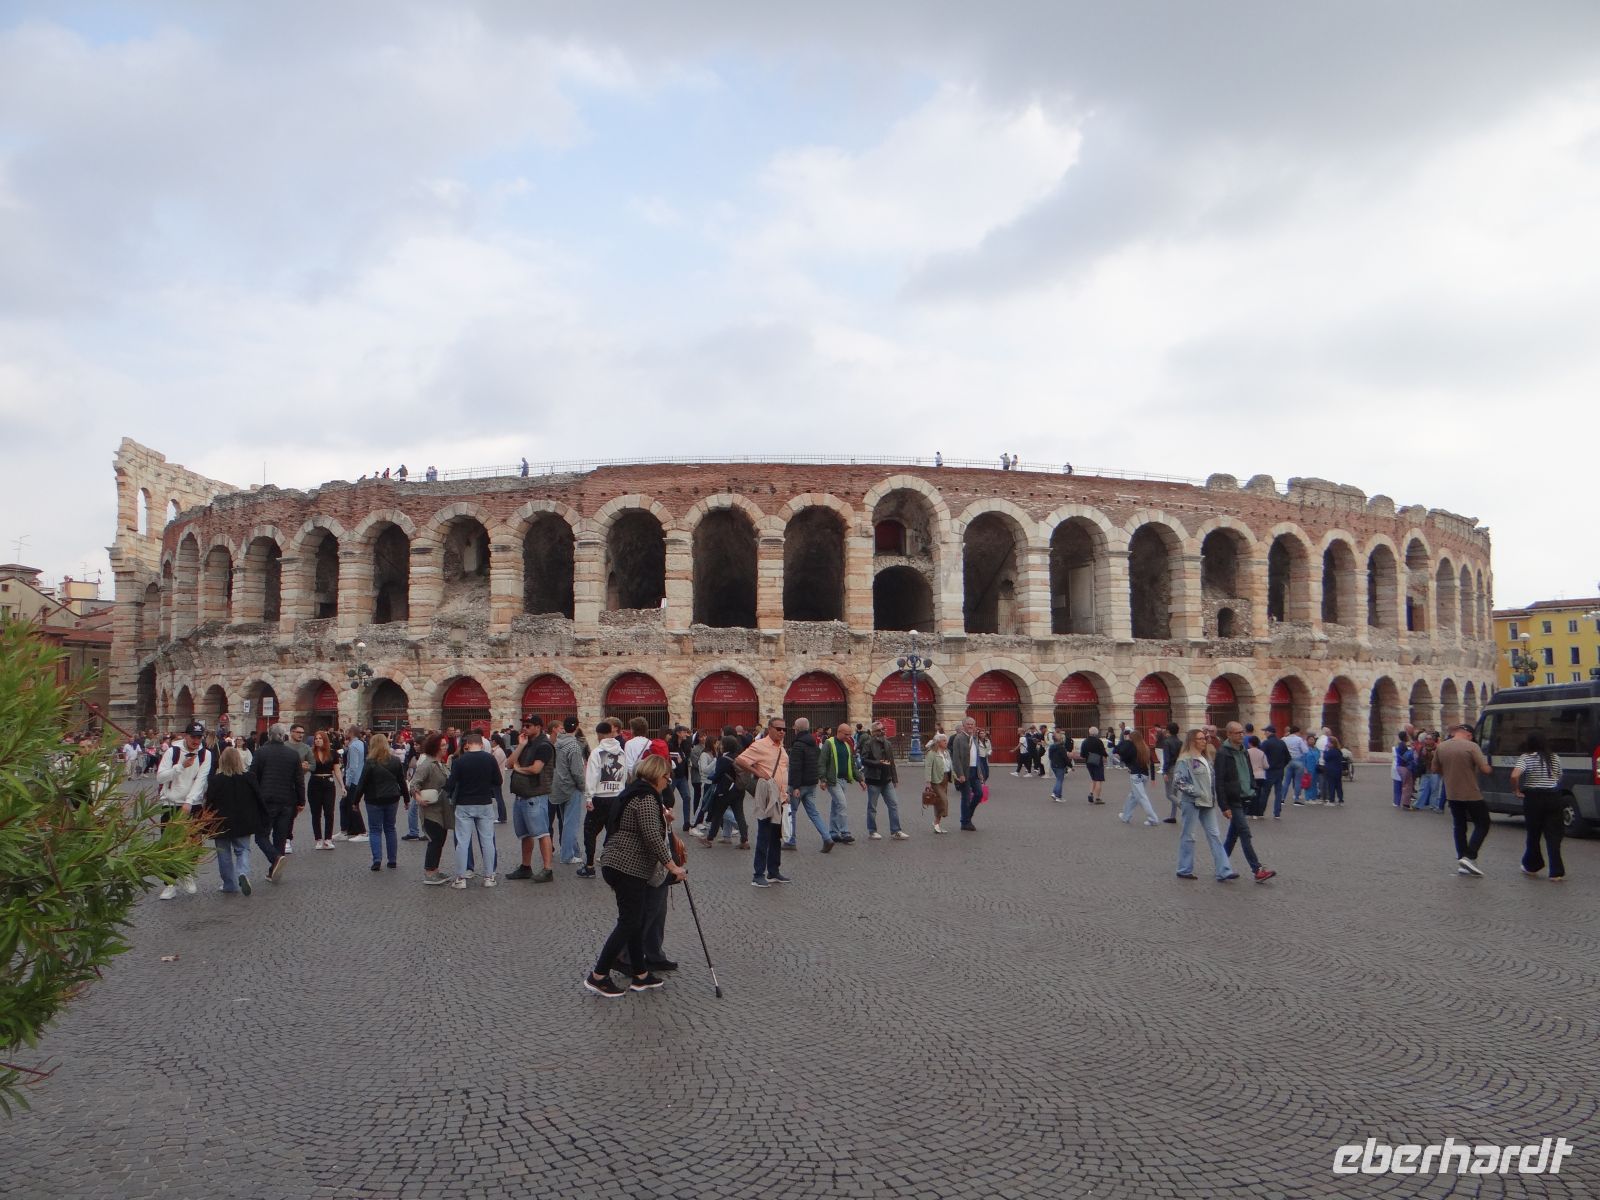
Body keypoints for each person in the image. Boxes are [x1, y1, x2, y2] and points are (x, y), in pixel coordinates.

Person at [584, 754, 685, 996]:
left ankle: (640, 974)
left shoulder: (635, 792)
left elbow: (645, 825)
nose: (668, 781)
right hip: (626, 866)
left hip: (621, 864)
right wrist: (673, 867)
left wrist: (665, 820)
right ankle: (598, 975)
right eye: (666, 776)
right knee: (629, 921)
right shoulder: (646, 797)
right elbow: (651, 836)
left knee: (635, 920)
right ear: (656, 775)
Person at [155, 719, 210, 899]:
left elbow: (201, 780)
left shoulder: (205, 755)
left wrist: (189, 801)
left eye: (199, 737)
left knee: (193, 843)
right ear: (186, 736)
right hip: (170, 803)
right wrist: (179, 767)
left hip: (192, 804)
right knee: (169, 844)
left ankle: (186, 874)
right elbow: (160, 778)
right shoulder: (172, 752)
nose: (196, 741)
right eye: (193, 737)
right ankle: (169, 883)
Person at [204, 746, 267, 896]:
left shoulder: (215, 780)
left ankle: (229, 884)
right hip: (243, 821)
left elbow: (209, 801)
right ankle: (243, 872)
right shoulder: (249, 777)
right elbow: (258, 798)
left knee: (223, 854)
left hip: (221, 822)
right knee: (243, 849)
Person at [1217, 722, 1276, 882]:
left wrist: (1253, 787)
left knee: (1232, 836)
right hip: (1233, 799)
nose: (1241, 735)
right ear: (1229, 734)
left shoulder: (1244, 751)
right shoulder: (1223, 753)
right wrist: (1224, 805)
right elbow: (1219, 781)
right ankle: (1257, 869)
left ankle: (1220, 865)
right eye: (1237, 733)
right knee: (1244, 832)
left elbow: (1248, 771)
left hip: (1246, 797)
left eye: (1242, 732)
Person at [441, 731, 501, 888]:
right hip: (484, 803)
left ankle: (460, 879)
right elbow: (498, 781)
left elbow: (451, 783)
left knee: (462, 841)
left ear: (467, 745)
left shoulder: (460, 761)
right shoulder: (490, 759)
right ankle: (489, 877)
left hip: (464, 804)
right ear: (481, 744)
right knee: (487, 841)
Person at [738, 716, 792, 886]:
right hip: (768, 796)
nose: (782, 732)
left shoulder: (782, 748)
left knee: (776, 836)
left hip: (781, 797)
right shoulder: (760, 745)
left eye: (784, 729)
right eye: (778, 728)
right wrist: (758, 773)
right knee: (764, 835)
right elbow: (740, 760)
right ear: (770, 729)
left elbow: (783, 771)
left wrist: (786, 791)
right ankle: (758, 874)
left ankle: (774, 871)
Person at [1172, 729, 1232, 881]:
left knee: (1215, 835)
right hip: (1192, 802)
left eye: (1204, 738)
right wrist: (1196, 792)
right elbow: (1179, 781)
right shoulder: (1184, 760)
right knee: (1189, 835)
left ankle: (1224, 870)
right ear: (1192, 741)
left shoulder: (1206, 758)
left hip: (1209, 802)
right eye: (1200, 739)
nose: (1204, 741)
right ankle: (1184, 869)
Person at [1435, 722, 1492, 876]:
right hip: (1471, 793)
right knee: (1483, 823)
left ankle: (1462, 859)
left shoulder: (1441, 747)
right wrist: (1490, 767)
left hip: (1452, 793)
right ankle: (1470, 855)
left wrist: (1449, 773)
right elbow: (1485, 769)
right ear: (1469, 735)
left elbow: (1435, 768)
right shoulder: (1472, 746)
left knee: (1459, 826)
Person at [347, 732, 406, 871]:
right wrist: (407, 798)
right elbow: (401, 781)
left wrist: (355, 801)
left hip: (374, 799)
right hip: (392, 798)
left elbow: (362, 783)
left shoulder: (370, 762)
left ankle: (377, 859)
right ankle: (392, 860)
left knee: (375, 830)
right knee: (390, 828)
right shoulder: (395, 761)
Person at [248, 724, 299, 884]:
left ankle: (275, 858)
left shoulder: (261, 752)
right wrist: (301, 801)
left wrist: (254, 797)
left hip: (267, 801)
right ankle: (274, 871)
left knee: (261, 836)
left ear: (270, 736)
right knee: (280, 837)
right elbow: (298, 780)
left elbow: (252, 776)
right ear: (283, 736)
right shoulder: (292, 754)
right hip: (287, 801)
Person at [507, 716, 555, 883]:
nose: (524, 729)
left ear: (538, 727)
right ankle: (525, 867)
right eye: (523, 725)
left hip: (536, 795)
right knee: (525, 834)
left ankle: (548, 869)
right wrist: (520, 745)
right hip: (521, 795)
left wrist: (519, 769)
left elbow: (536, 769)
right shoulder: (526, 744)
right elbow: (509, 763)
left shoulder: (544, 746)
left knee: (542, 832)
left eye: (528, 726)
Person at [1513, 731, 1565, 881]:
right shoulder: (1554, 757)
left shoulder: (1526, 757)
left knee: (1533, 833)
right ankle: (1556, 871)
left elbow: (1514, 775)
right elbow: (1560, 776)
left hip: (1534, 798)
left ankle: (1532, 865)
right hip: (1553, 796)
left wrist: (1516, 790)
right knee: (1554, 835)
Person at [578, 721, 628, 878]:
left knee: (590, 831)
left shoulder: (597, 752)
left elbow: (592, 776)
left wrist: (588, 797)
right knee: (613, 831)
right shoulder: (621, 752)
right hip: (617, 796)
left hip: (600, 797)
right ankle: (611, 862)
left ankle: (590, 865)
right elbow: (625, 774)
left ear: (599, 734)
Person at [782, 717, 833, 852]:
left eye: (794, 727)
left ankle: (791, 840)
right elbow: (819, 762)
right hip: (811, 783)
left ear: (797, 729)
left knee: (791, 812)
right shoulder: (813, 743)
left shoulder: (798, 745)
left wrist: (795, 787)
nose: (793, 729)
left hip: (799, 785)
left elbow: (795, 767)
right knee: (813, 812)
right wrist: (820, 779)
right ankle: (827, 837)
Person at [409, 734, 453, 885]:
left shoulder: (440, 763)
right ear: (435, 747)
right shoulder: (427, 764)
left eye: (445, 744)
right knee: (435, 840)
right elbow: (414, 783)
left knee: (440, 840)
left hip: (442, 809)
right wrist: (418, 798)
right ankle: (429, 872)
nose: (445, 747)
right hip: (431, 810)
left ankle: (435, 869)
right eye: (442, 745)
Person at [697, 734, 750, 849]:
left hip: (725, 791)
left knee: (717, 814)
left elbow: (717, 776)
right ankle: (744, 840)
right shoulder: (739, 757)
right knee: (739, 814)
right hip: (739, 789)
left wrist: (710, 777)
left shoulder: (723, 759)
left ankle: (709, 838)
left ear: (725, 746)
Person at [859, 720, 908, 839]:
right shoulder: (868, 743)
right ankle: (872, 831)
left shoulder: (888, 743)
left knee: (893, 804)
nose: (882, 732)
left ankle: (896, 831)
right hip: (873, 780)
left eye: (883, 729)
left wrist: (895, 778)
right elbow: (863, 760)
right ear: (873, 732)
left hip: (887, 780)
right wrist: (878, 763)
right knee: (872, 807)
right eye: (879, 730)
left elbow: (891, 762)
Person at [551, 717, 588, 865]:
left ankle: (575, 851)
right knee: (570, 823)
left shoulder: (557, 742)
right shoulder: (574, 746)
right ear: (577, 727)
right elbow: (577, 771)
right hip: (571, 786)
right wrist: (583, 786)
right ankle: (567, 855)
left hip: (558, 784)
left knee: (566, 821)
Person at [819, 722, 862, 844]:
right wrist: (822, 779)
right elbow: (822, 761)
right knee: (842, 804)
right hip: (833, 780)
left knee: (836, 806)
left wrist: (860, 779)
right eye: (846, 734)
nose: (849, 737)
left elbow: (852, 765)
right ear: (839, 732)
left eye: (850, 734)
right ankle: (845, 832)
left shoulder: (847, 745)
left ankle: (833, 832)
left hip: (843, 780)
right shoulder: (829, 743)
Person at [1115, 730, 1161, 826]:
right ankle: (1126, 816)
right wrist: (1153, 778)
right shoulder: (1145, 748)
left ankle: (1153, 818)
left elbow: (1122, 754)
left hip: (1135, 774)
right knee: (1133, 796)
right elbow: (1151, 763)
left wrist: (1126, 741)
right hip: (1145, 775)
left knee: (1141, 797)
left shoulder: (1132, 747)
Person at [948, 717, 984, 831]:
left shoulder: (973, 738)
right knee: (966, 797)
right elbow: (956, 758)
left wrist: (980, 772)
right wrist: (960, 774)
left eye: (972, 724)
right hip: (964, 771)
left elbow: (976, 756)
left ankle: (967, 816)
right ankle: (965, 822)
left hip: (974, 771)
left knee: (979, 794)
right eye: (968, 724)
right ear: (963, 726)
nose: (970, 726)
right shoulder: (959, 738)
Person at [306, 730, 339, 850]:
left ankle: (328, 839)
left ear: (325, 740)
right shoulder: (310, 753)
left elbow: (337, 770)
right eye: (316, 738)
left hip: (328, 783)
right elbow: (305, 768)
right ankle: (318, 839)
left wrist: (342, 785)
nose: (318, 740)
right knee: (316, 813)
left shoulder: (333, 753)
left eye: (320, 738)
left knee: (329, 812)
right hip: (314, 783)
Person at [337, 726, 367, 840]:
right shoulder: (360, 743)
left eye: (346, 731)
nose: (344, 733)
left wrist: (347, 782)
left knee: (352, 805)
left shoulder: (354, 746)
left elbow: (352, 766)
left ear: (351, 733)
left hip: (353, 780)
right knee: (345, 804)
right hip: (358, 779)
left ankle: (362, 832)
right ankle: (349, 830)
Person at [1260, 726, 1292, 819]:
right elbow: (1288, 757)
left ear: (1269, 732)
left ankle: (1261, 811)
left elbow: (1261, 756)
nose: (1264, 733)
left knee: (1265, 792)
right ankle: (1277, 813)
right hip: (1279, 770)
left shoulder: (1266, 743)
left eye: (1265, 731)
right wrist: (1282, 765)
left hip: (1269, 771)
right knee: (1278, 792)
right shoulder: (1281, 743)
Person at [924, 732, 952, 832]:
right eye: (944, 740)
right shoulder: (931, 753)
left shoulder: (946, 752)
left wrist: (955, 776)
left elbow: (949, 766)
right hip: (935, 780)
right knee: (943, 800)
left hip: (945, 778)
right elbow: (928, 767)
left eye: (946, 740)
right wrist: (928, 781)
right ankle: (937, 820)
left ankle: (936, 823)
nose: (946, 742)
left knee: (938, 801)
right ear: (938, 742)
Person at [1413, 732, 1443, 812]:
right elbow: (1418, 759)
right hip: (1425, 771)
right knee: (1422, 788)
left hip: (1435, 772)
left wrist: (1434, 755)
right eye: (1426, 739)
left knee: (1434, 789)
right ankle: (1418, 804)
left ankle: (1434, 805)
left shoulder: (1438, 748)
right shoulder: (1423, 748)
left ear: (1433, 740)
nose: (1428, 741)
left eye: (1430, 739)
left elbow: (1441, 760)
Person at [1078, 725, 1108, 804]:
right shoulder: (1098, 741)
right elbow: (1103, 752)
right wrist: (1105, 756)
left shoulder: (1085, 741)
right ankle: (1097, 798)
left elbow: (1082, 754)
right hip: (1098, 761)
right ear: (1096, 733)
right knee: (1099, 780)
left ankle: (1091, 793)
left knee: (1093, 779)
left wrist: (1088, 755)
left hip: (1089, 761)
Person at [1158, 722, 1182, 822]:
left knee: (1169, 794)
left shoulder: (1167, 742)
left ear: (1168, 731)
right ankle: (1173, 816)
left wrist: (1164, 771)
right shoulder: (1180, 742)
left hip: (1170, 768)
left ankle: (1183, 806)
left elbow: (1166, 758)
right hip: (1178, 767)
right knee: (1174, 793)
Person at [1283, 725, 1310, 806]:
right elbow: (1305, 750)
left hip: (1288, 761)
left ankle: (1282, 799)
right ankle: (1296, 799)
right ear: (1297, 732)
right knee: (1298, 781)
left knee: (1286, 781)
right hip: (1298, 760)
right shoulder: (1299, 739)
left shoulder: (1285, 739)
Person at [1392, 731, 1417, 809]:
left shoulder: (1400, 745)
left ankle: (1399, 802)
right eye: (1407, 736)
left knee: (1403, 785)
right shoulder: (1403, 745)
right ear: (1405, 737)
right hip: (1404, 767)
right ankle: (1406, 804)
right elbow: (1406, 757)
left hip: (1399, 766)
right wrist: (1412, 750)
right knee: (1407, 785)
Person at [1320, 735, 1345, 805]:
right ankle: (1340, 800)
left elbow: (1326, 757)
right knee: (1338, 786)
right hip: (1338, 770)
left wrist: (1325, 751)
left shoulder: (1331, 751)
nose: (1327, 744)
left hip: (1331, 770)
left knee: (1331, 785)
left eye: (1328, 743)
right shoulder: (1338, 751)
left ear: (1332, 744)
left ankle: (1331, 800)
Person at [1047, 730, 1070, 802]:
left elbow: (1050, 756)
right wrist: (1070, 766)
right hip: (1060, 765)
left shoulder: (1051, 747)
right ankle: (1058, 796)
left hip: (1053, 764)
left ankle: (1054, 793)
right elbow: (1065, 758)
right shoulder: (1061, 747)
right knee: (1060, 780)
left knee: (1058, 780)